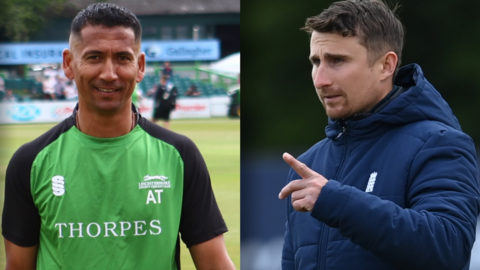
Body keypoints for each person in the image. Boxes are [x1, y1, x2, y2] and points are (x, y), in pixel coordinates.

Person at [2, 3, 235, 270]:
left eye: (123, 58)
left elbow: (215, 264)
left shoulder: (180, 155)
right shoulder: (29, 162)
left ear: (140, 66)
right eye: (94, 57)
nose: (109, 74)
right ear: (68, 64)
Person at [278, 1, 480, 269]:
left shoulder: (439, 143)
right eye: (316, 61)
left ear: (386, 65)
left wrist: (334, 201)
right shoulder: (308, 165)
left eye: (337, 60)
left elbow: (448, 249)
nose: (320, 79)